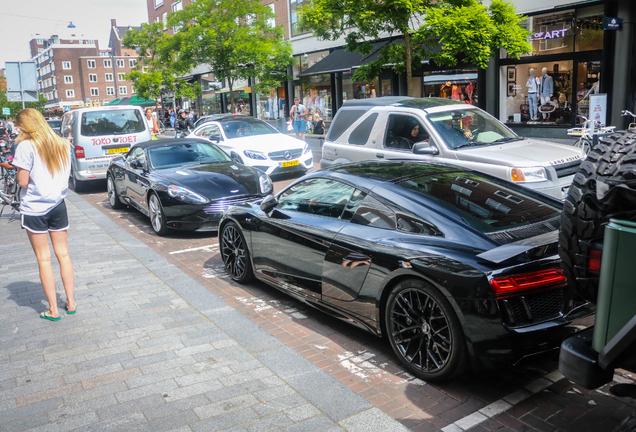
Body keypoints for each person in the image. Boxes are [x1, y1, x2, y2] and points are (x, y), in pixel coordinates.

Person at [11, 108, 75, 321]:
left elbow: (22, 181)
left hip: (35, 207)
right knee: (64, 255)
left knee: (44, 259)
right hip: (58, 204)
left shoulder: (26, 146)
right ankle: (71, 302)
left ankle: (53, 310)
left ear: (25, 126)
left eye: (18, 125)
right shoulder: (62, 144)